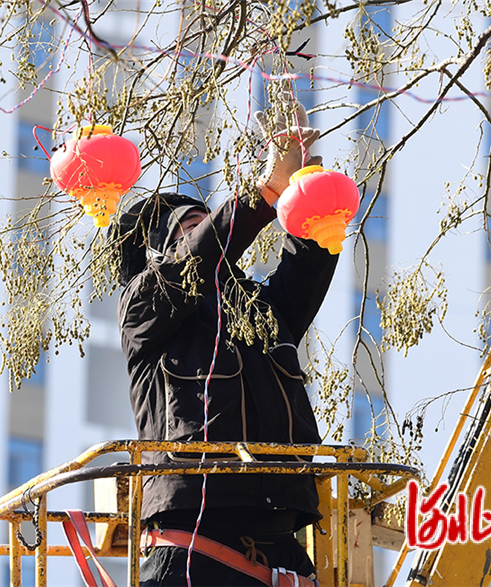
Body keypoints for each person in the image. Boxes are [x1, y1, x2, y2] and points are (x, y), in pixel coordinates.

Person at [111, 98, 341, 586]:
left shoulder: (263, 311)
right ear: (163, 255)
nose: (210, 236)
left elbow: (306, 268)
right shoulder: (144, 309)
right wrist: (265, 193)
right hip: (192, 545)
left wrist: (306, 197)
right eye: (192, 229)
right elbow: (195, 264)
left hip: (281, 541)